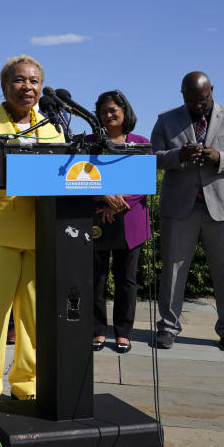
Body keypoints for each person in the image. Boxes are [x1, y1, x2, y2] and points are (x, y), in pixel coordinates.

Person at [0, 55, 64, 402]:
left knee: (34, 323)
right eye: (19, 80)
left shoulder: (53, 130)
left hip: (39, 236)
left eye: (34, 81)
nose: (28, 87)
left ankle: (27, 384)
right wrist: (16, 177)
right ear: (4, 87)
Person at [152, 71, 224, 353]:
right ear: (182, 95)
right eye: (193, 100)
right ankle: (168, 327)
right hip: (179, 208)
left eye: (204, 98)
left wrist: (219, 157)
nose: (199, 104)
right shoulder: (166, 119)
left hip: (221, 208)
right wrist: (177, 156)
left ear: (212, 90)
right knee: (172, 271)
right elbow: (151, 156)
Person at [87, 91, 151, 354]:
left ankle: (123, 333)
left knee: (126, 279)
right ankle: (97, 330)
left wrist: (118, 203)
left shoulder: (140, 142)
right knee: (96, 278)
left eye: (113, 110)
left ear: (125, 112)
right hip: (97, 217)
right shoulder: (88, 143)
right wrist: (103, 199)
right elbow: (78, 177)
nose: (109, 115)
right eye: (103, 111)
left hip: (130, 219)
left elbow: (143, 183)